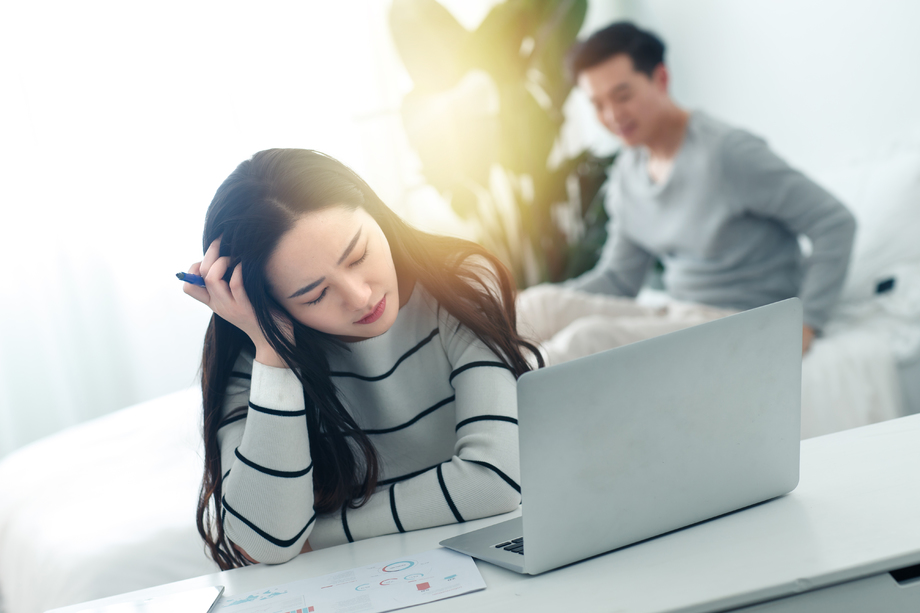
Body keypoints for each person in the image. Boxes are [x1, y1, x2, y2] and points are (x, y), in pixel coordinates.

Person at [183, 149, 541, 569]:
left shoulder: (458, 286)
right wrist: (273, 352)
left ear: (376, 216)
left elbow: (493, 481)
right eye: (314, 295)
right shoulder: (256, 357)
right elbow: (265, 542)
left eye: (358, 255)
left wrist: (319, 535)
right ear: (272, 305)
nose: (360, 296)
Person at [518, 21, 856, 362]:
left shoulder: (727, 153)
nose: (613, 115)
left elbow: (834, 222)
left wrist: (807, 324)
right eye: (598, 104)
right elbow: (620, 279)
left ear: (661, 79)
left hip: (743, 320)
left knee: (588, 340)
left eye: (623, 96)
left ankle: (508, 408)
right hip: (680, 315)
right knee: (536, 306)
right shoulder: (627, 174)